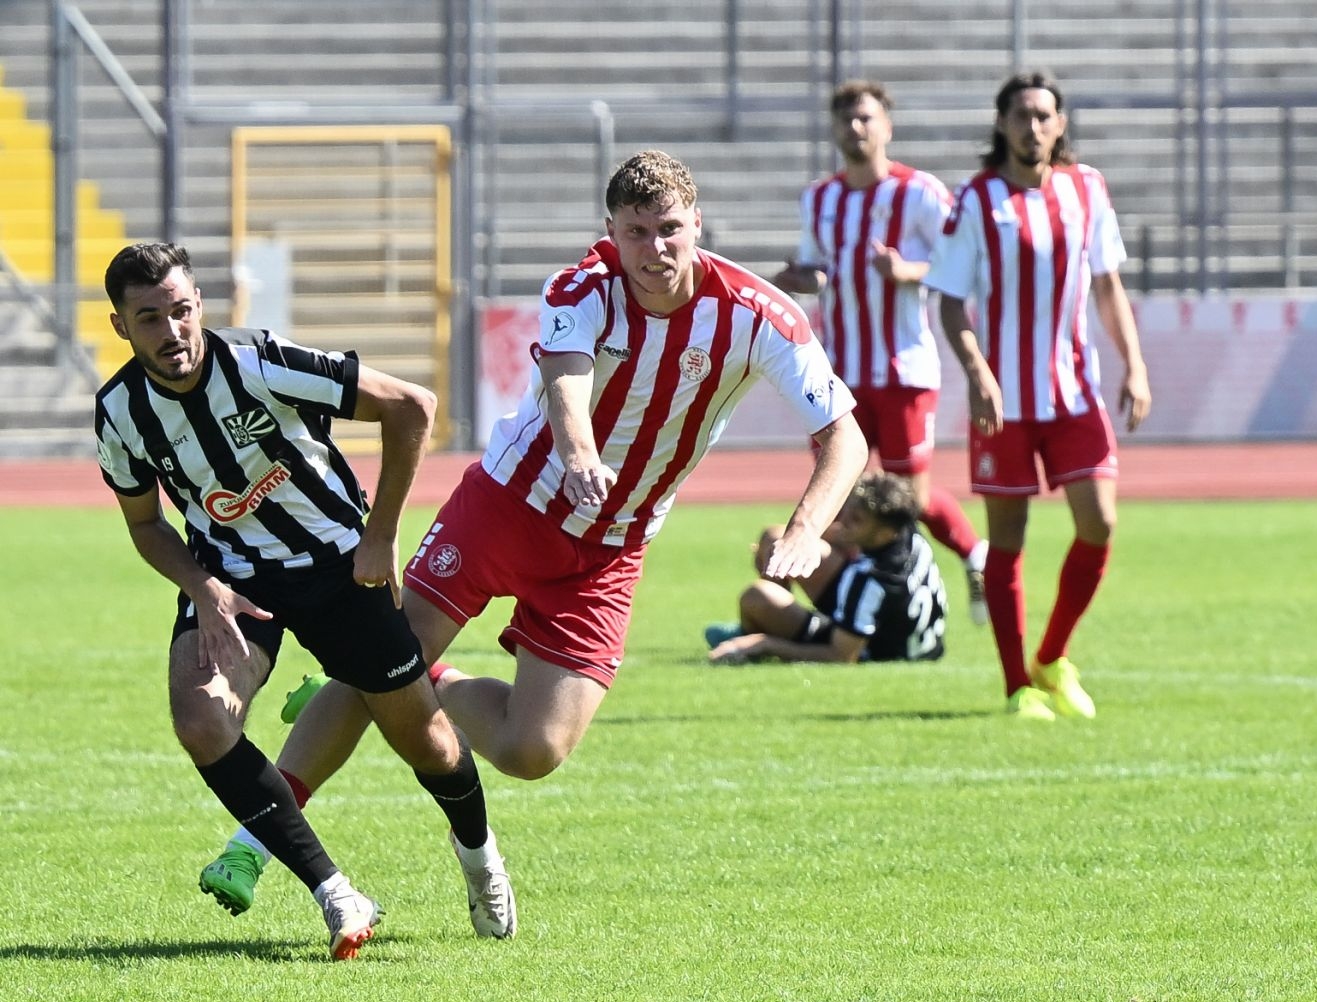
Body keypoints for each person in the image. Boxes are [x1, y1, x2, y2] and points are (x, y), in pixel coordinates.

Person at [200, 150, 868, 883]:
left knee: (532, 750)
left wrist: (806, 528)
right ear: (611, 232)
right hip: (509, 505)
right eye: (636, 232)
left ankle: (425, 678)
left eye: (670, 229)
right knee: (387, 655)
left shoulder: (759, 315)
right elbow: (567, 381)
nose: (655, 249)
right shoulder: (582, 287)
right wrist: (579, 456)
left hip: (610, 546)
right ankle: (253, 843)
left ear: (697, 224)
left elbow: (845, 436)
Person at [94, 241, 513, 960]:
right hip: (233, 580)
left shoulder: (258, 362)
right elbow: (145, 524)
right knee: (201, 720)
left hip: (338, 566)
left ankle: (480, 858)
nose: (172, 331)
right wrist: (201, 585)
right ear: (120, 326)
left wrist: (381, 535)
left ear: (200, 305)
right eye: (150, 318)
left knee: (428, 742)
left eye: (181, 310)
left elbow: (411, 407)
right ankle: (336, 892)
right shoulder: (120, 412)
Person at [925, 71, 1152, 723]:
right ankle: (1016, 686)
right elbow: (950, 301)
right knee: (1008, 541)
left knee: (1099, 523)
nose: (1033, 126)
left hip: (1074, 393)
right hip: (1005, 403)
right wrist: (978, 372)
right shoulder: (977, 200)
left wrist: (1135, 365)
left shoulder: (1087, 188)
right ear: (1002, 124)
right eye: (1021, 115)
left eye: (1044, 115)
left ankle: (1051, 657)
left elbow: (1107, 285)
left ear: (1060, 124)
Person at [771, 80, 990, 625]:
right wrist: (800, 279)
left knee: (906, 498)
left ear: (887, 127)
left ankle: (973, 554)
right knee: (843, 494)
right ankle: (861, 605)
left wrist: (907, 270)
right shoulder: (819, 198)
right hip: (839, 373)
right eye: (845, 119)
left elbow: (963, 263)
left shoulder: (920, 193)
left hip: (903, 368)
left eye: (865, 118)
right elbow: (819, 270)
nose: (855, 128)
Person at [706, 471, 947, 665]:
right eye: (849, 512)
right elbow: (850, 537)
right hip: (898, 625)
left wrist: (764, 643)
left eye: (856, 520)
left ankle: (756, 631)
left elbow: (841, 656)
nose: (844, 522)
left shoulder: (872, 581)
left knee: (756, 598)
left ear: (884, 532)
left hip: (875, 647)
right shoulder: (905, 531)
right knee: (779, 541)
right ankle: (763, 624)